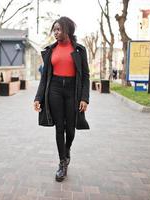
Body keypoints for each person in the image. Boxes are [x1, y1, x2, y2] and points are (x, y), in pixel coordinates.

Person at [33, 16, 90, 182]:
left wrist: (84, 98)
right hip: (55, 89)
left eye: (58, 29)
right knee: (59, 127)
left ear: (68, 30)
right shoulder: (50, 50)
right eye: (54, 30)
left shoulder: (79, 50)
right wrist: (38, 98)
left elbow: (86, 76)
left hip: (73, 90)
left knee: (70, 129)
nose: (56, 33)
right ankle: (62, 162)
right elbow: (45, 77)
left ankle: (67, 150)